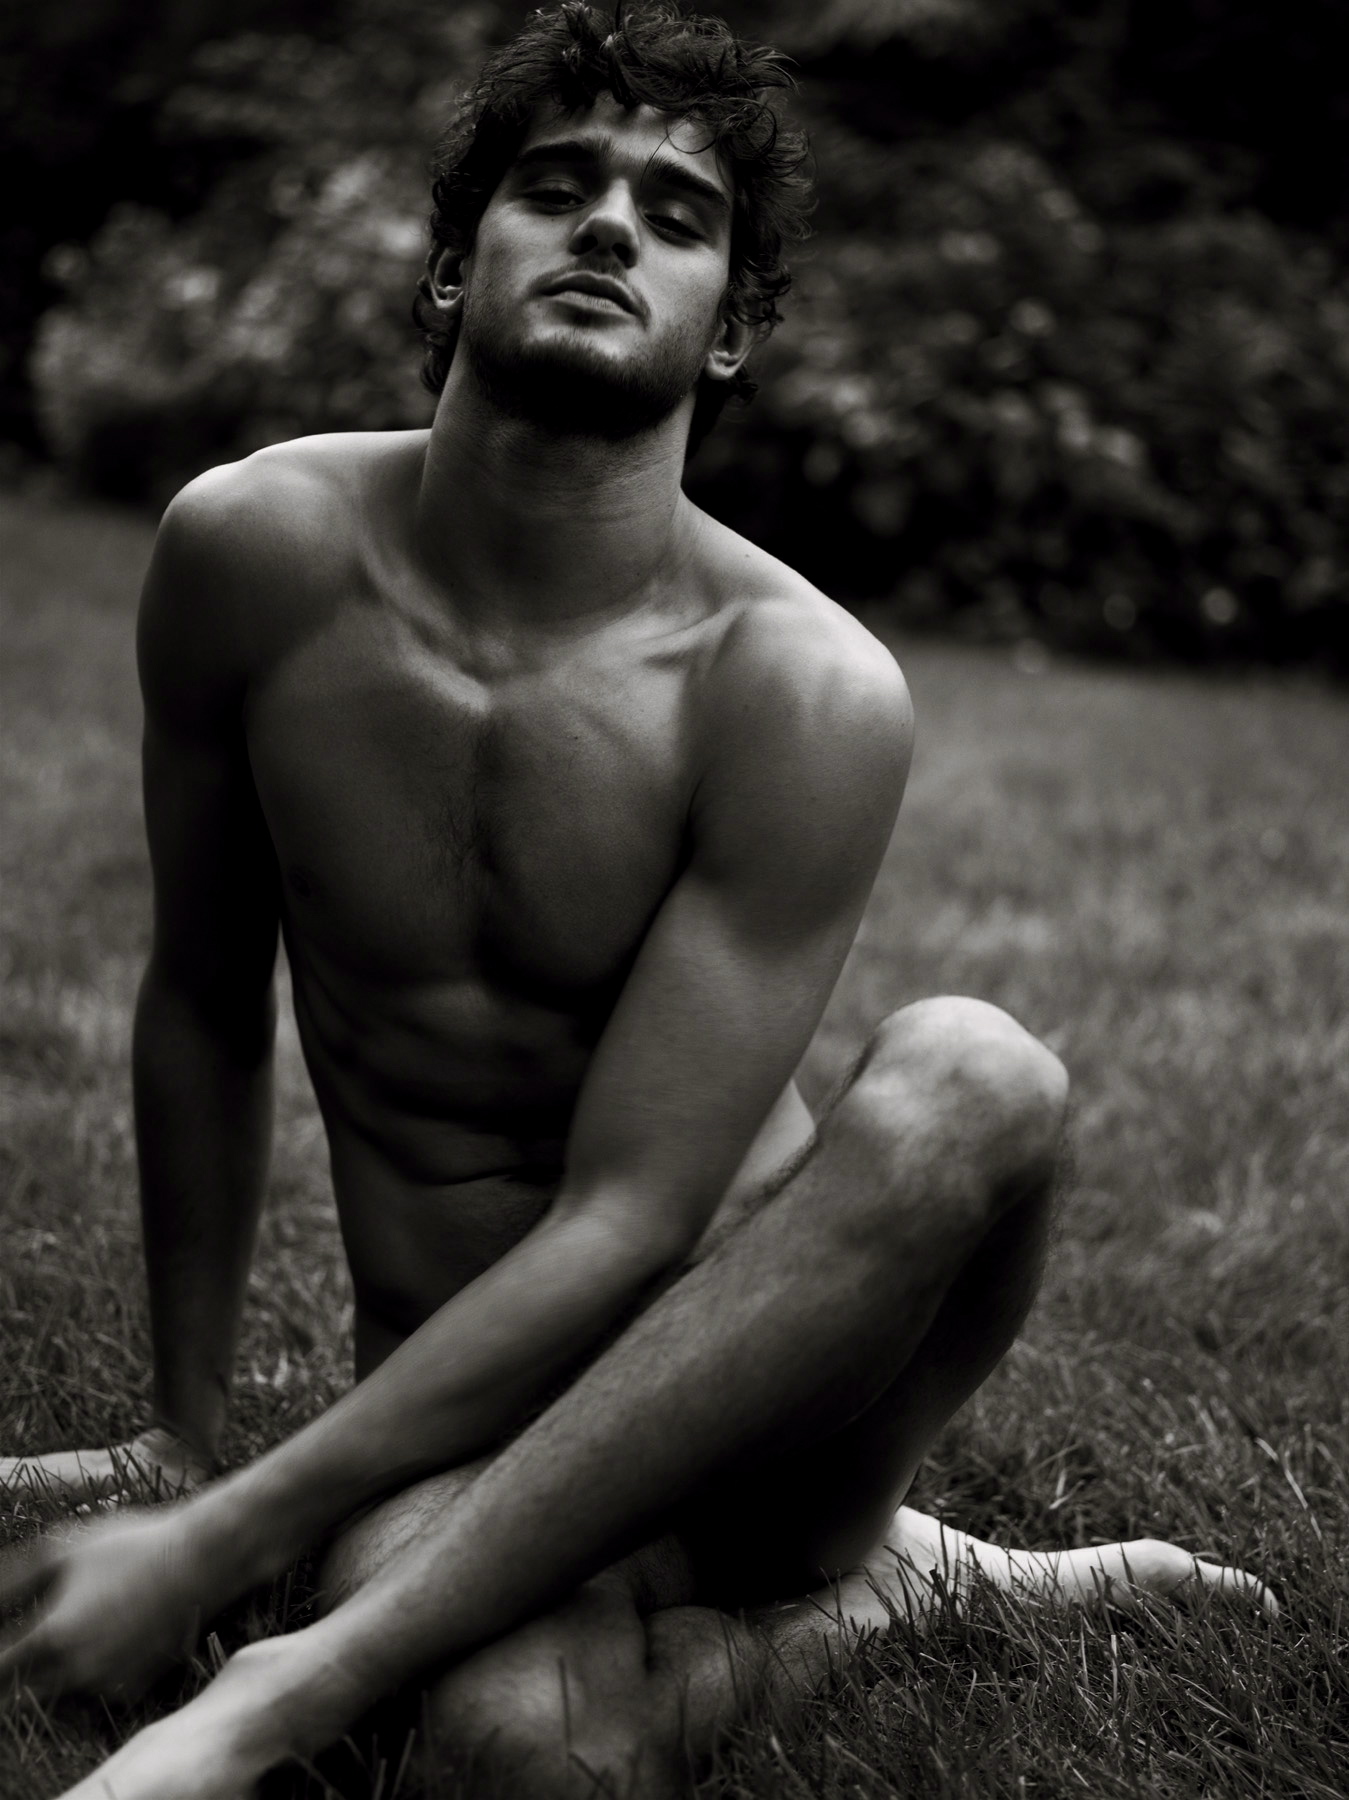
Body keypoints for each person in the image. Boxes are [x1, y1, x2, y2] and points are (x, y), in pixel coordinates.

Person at [0, 7, 1271, 1797]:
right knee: (512, 1757)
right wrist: (179, 1441)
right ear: (454, 264)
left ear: (728, 329)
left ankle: (784, 1572)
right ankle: (878, 1603)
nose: (609, 223)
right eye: (556, 186)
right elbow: (201, 998)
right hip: (465, 1426)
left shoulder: (797, 684)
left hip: (779, 1409)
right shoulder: (248, 557)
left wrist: (221, 1556)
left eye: (678, 217)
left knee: (976, 1068)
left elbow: (634, 1215)